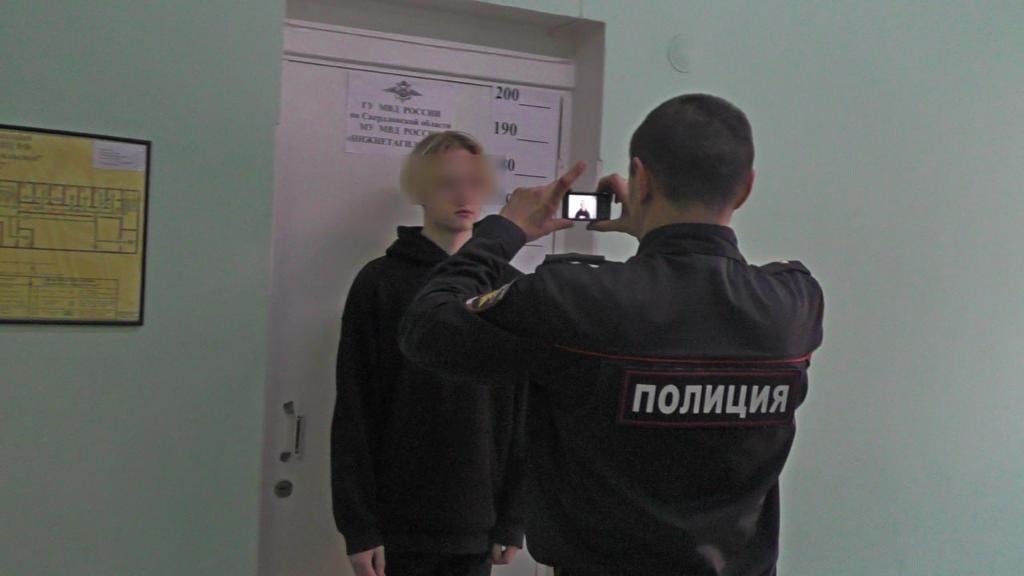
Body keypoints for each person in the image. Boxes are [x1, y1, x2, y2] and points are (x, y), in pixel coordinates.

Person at [399, 95, 824, 575]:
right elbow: (698, 300)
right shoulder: (793, 305)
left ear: (642, 179)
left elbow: (426, 328)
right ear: (746, 188)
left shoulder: (576, 300)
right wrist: (656, 231)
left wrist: (505, 230)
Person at [332, 131, 526, 576]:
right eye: (447, 183)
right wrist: (359, 528)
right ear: (420, 190)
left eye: (473, 183)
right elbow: (355, 409)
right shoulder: (379, 283)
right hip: (399, 523)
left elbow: (523, 410)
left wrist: (514, 517)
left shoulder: (508, 287)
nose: (463, 196)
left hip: (478, 520)